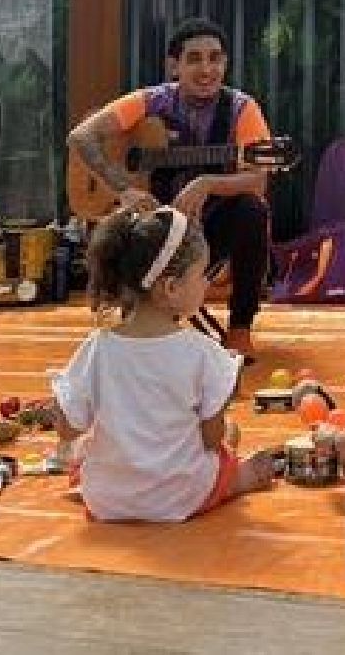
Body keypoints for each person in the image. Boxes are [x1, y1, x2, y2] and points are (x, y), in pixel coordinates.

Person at [50, 206, 275, 522]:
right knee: (223, 447)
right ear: (170, 287)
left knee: (85, 457)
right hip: (179, 497)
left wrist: (62, 405)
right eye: (203, 275)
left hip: (106, 501)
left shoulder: (97, 348)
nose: (207, 285)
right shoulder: (203, 352)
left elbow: (69, 429)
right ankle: (239, 480)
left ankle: (118, 487)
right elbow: (210, 439)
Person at [67, 17, 271, 355]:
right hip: (152, 225)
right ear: (173, 66)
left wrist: (208, 184)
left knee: (253, 210)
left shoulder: (241, 109)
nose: (206, 69)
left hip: (208, 227)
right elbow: (82, 136)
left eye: (215, 58)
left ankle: (239, 329)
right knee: (115, 229)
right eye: (194, 59)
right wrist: (123, 188)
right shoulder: (151, 102)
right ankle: (132, 320)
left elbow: (257, 179)